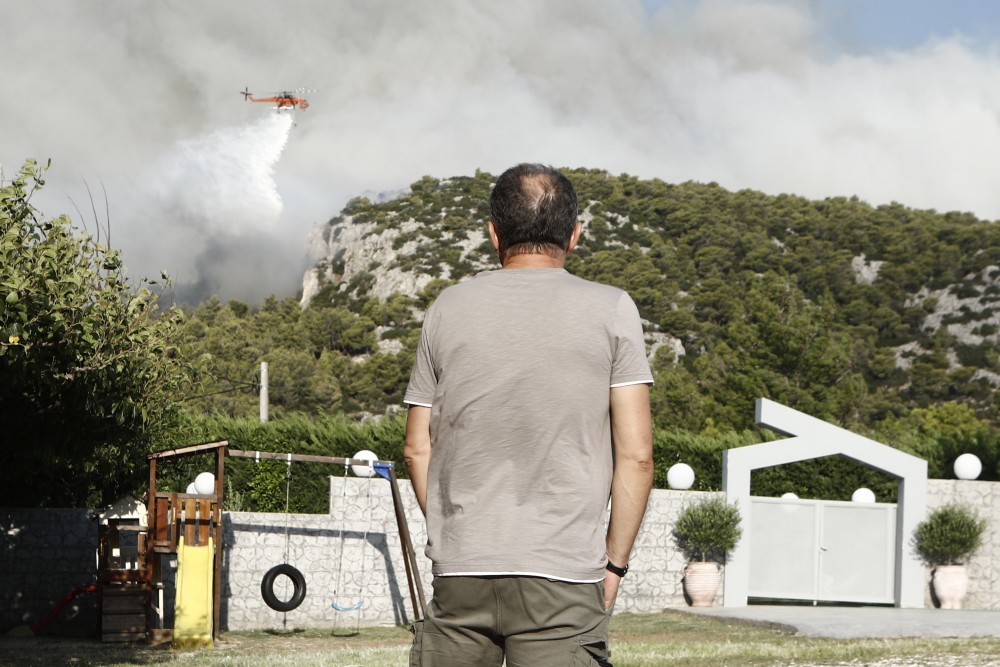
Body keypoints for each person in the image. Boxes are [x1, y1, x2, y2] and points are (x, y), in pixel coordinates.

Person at [403, 163, 654, 666]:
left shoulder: (446, 308)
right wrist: (614, 567)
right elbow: (637, 456)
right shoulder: (613, 309)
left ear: (493, 233)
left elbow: (416, 447)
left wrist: (454, 531)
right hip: (562, 580)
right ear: (575, 235)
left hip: (461, 575)